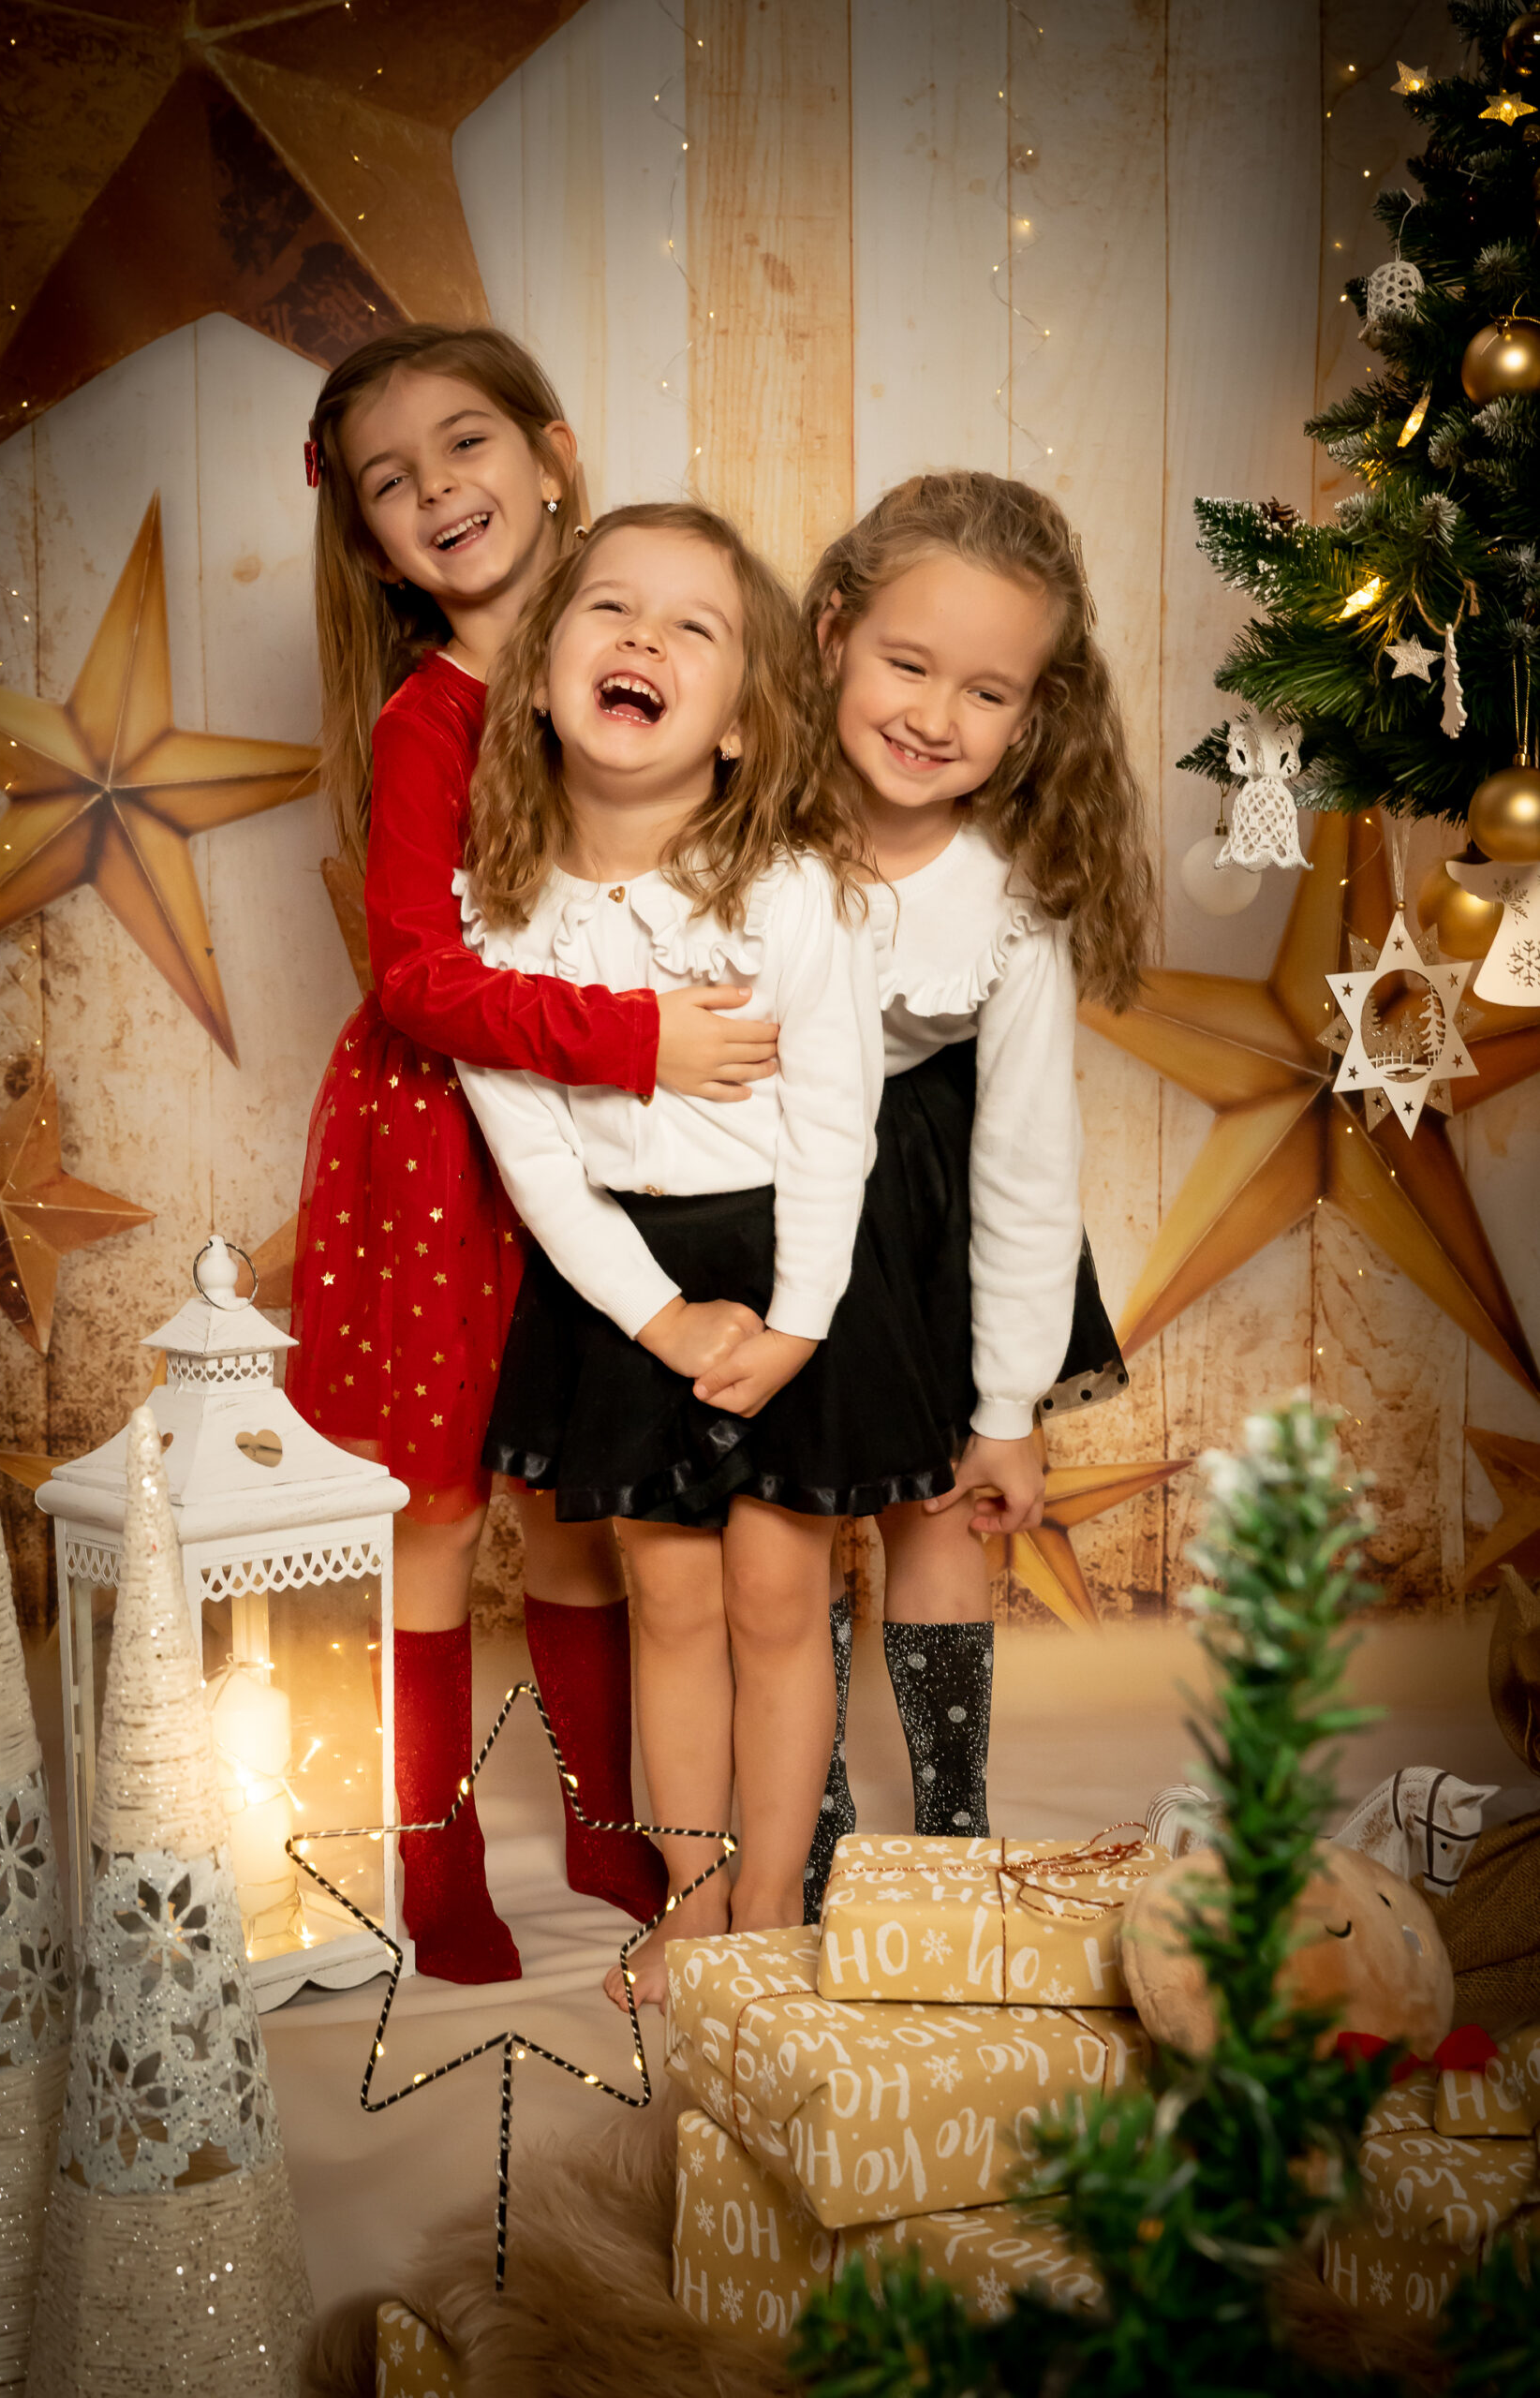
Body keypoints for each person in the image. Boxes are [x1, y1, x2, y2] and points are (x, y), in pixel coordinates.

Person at [286, 328, 778, 1983]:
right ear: (373, 544)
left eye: (466, 443)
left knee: (583, 1495)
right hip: (445, 1142)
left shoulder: (636, 652)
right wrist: (641, 1039)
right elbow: (419, 980)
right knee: (438, 1507)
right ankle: (435, 1857)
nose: (438, 489)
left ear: (553, 457)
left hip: (618, 1145)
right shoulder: (429, 720)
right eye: (390, 480)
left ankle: (604, 1818)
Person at [455, 501, 955, 2008]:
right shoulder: (495, 912)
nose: (644, 639)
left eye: (694, 626)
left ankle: (776, 1895)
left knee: (777, 1605)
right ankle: (691, 1897)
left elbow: (837, 1125)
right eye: (611, 609)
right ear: (544, 676)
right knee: (668, 1605)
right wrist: (660, 1319)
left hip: (796, 1260)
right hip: (623, 1282)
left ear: (738, 723)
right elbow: (536, 1163)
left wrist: (796, 1323)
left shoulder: (794, 892)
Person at [799, 472, 1154, 1900]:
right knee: (784, 1519)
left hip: (930, 1206)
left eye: (987, 691)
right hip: (769, 1187)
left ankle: (950, 1830)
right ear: (832, 630)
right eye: (908, 663)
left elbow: (1025, 1163)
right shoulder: (743, 826)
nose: (936, 716)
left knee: (941, 1509)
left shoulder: (1011, 895)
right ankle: (801, 1816)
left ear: (1035, 714)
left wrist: (1009, 1409)